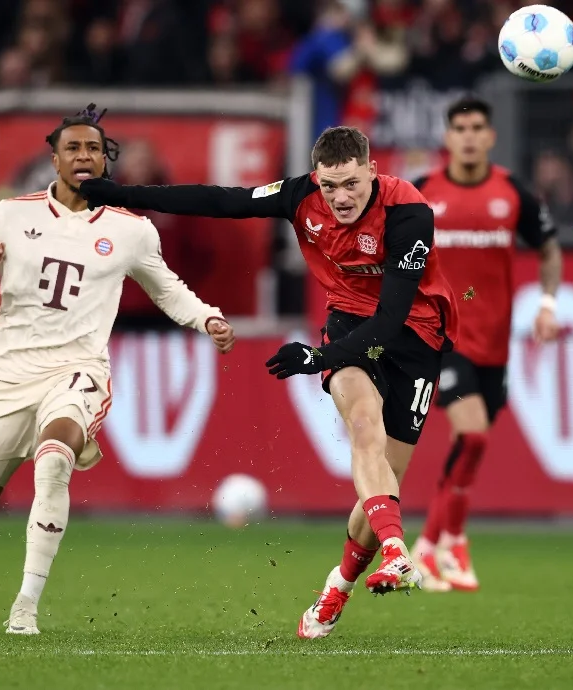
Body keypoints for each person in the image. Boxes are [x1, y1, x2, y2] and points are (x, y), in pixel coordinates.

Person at [77, 126, 458, 640]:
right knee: (363, 427)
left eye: (351, 184)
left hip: (415, 337)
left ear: (372, 171)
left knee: (384, 482)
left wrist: (316, 357)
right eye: (330, 186)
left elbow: (390, 321)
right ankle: (397, 551)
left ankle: (339, 586)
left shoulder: (408, 213)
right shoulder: (300, 196)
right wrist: (120, 194)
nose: (340, 198)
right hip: (348, 324)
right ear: (316, 178)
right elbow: (220, 201)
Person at [0, 104, 235, 635]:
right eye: (72, 147)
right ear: (54, 160)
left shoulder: (131, 230)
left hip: (78, 369)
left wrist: (207, 318)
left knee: (55, 458)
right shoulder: (10, 214)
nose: (83, 156)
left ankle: (25, 606)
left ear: (104, 161)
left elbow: (167, 289)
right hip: (8, 375)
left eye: (93, 148)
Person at [408, 96, 563, 593]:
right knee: (472, 436)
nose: (469, 136)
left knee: (468, 446)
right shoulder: (421, 192)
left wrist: (548, 305)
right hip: (442, 339)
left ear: (490, 136)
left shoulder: (512, 191)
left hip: (495, 344)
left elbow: (549, 249)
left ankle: (428, 547)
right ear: (447, 137)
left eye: (477, 127)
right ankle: (453, 540)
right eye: (460, 128)